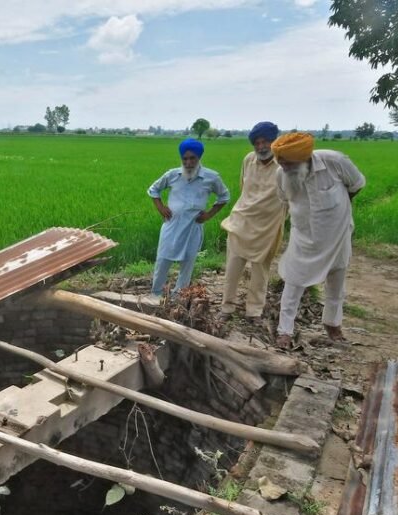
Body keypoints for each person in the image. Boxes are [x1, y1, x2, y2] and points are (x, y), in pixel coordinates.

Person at [270, 132, 365, 349]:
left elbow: (357, 185)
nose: (283, 166)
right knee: (293, 281)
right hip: (303, 236)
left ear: (303, 157)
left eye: (287, 162)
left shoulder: (335, 162)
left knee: (336, 281)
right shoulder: (281, 174)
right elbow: (284, 199)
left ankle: (333, 325)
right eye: (280, 161)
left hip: (337, 236)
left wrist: (340, 210)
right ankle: (284, 331)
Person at [220, 121, 287, 322]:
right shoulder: (249, 160)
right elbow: (244, 189)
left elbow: (291, 196)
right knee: (232, 269)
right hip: (241, 222)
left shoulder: (285, 165)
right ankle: (226, 308)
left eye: (265, 141)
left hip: (268, 227)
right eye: (257, 143)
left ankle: (254, 312)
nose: (261, 147)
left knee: (260, 272)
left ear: (275, 142)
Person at [147, 138, 231, 298]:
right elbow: (154, 190)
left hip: (193, 227)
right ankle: (155, 294)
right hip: (171, 225)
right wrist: (160, 207)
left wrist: (209, 214)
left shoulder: (211, 177)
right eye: (185, 158)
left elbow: (224, 196)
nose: (188, 162)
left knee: (188, 263)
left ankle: (179, 295)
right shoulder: (172, 175)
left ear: (199, 158)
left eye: (192, 158)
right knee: (163, 260)